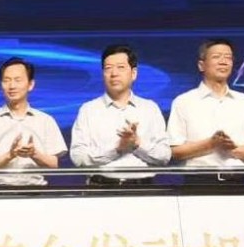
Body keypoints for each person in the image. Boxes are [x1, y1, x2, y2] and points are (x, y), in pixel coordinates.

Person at [167, 38, 244, 183]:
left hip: (236, 182)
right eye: (216, 57)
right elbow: (175, 151)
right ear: (201, 65)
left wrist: (232, 148)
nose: (223, 62)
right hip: (198, 181)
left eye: (228, 58)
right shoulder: (183, 102)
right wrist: (210, 144)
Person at [68, 44, 170, 184]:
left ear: (133, 73)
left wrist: (137, 144)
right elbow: (78, 157)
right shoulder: (89, 110)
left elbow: (164, 156)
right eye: (108, 68)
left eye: (120, 67)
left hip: (142, 189)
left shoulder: (150, 109)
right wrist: (117, 149)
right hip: (101, 187)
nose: (114, 73)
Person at [0, 57, 66, 186]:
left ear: (30, 84)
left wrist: (34, 154)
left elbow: (54, 165)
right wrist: (10, 155)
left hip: (36, 191)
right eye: (6, 80)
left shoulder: (46, 120)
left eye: (17, 80)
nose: (12, 86)